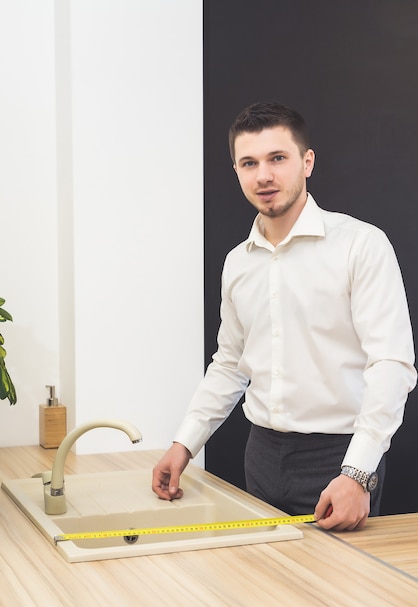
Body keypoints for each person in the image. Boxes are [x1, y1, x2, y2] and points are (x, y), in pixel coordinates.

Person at [152, 101, 417, 531]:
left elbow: (392, 365)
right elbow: (229, 365)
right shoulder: (238, 263)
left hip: (338, 460)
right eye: (249, 162)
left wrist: (357, 474)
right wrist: (183, 445)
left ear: (306, 162)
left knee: (340, 596)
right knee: (264, 593)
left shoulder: (361, 246)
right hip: (260, 456)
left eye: (278, 158)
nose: (264, 175)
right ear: (236, 170)